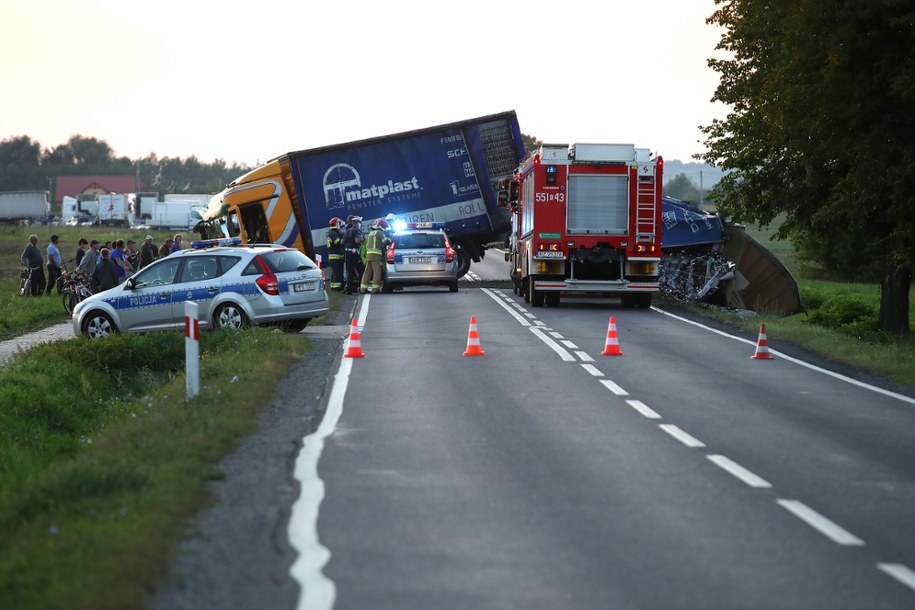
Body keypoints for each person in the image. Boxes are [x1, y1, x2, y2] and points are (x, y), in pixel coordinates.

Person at [360, 219, 390, 294]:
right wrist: (390, 238)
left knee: (367, 272)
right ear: (382, 227)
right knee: (377, 272)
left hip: (369, 255)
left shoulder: (371, 233)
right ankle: (375, 289)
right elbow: (385, 241)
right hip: (376, 255)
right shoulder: (379, 233)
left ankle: (363, 288)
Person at [343, 216, 365, 295]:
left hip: (347, 252)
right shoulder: (357, 230)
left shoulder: (348, 231)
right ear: (358, 223)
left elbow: (342, 241)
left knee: (350, 272)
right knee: (361, 270)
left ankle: (348, 290)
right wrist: (364, 238)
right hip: (354, 253)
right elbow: (357, 240)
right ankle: (361, 288)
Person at [326, 217, 345, 291]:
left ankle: (333, 286)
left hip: (334, 256)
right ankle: (337, 287)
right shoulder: (333, 233)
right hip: (335, 256)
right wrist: (344, 236)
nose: (340, 225)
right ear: (336, 224)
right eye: (339, 224)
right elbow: (338, 242)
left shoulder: (332, 232)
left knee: (335, 272)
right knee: (338, 273)